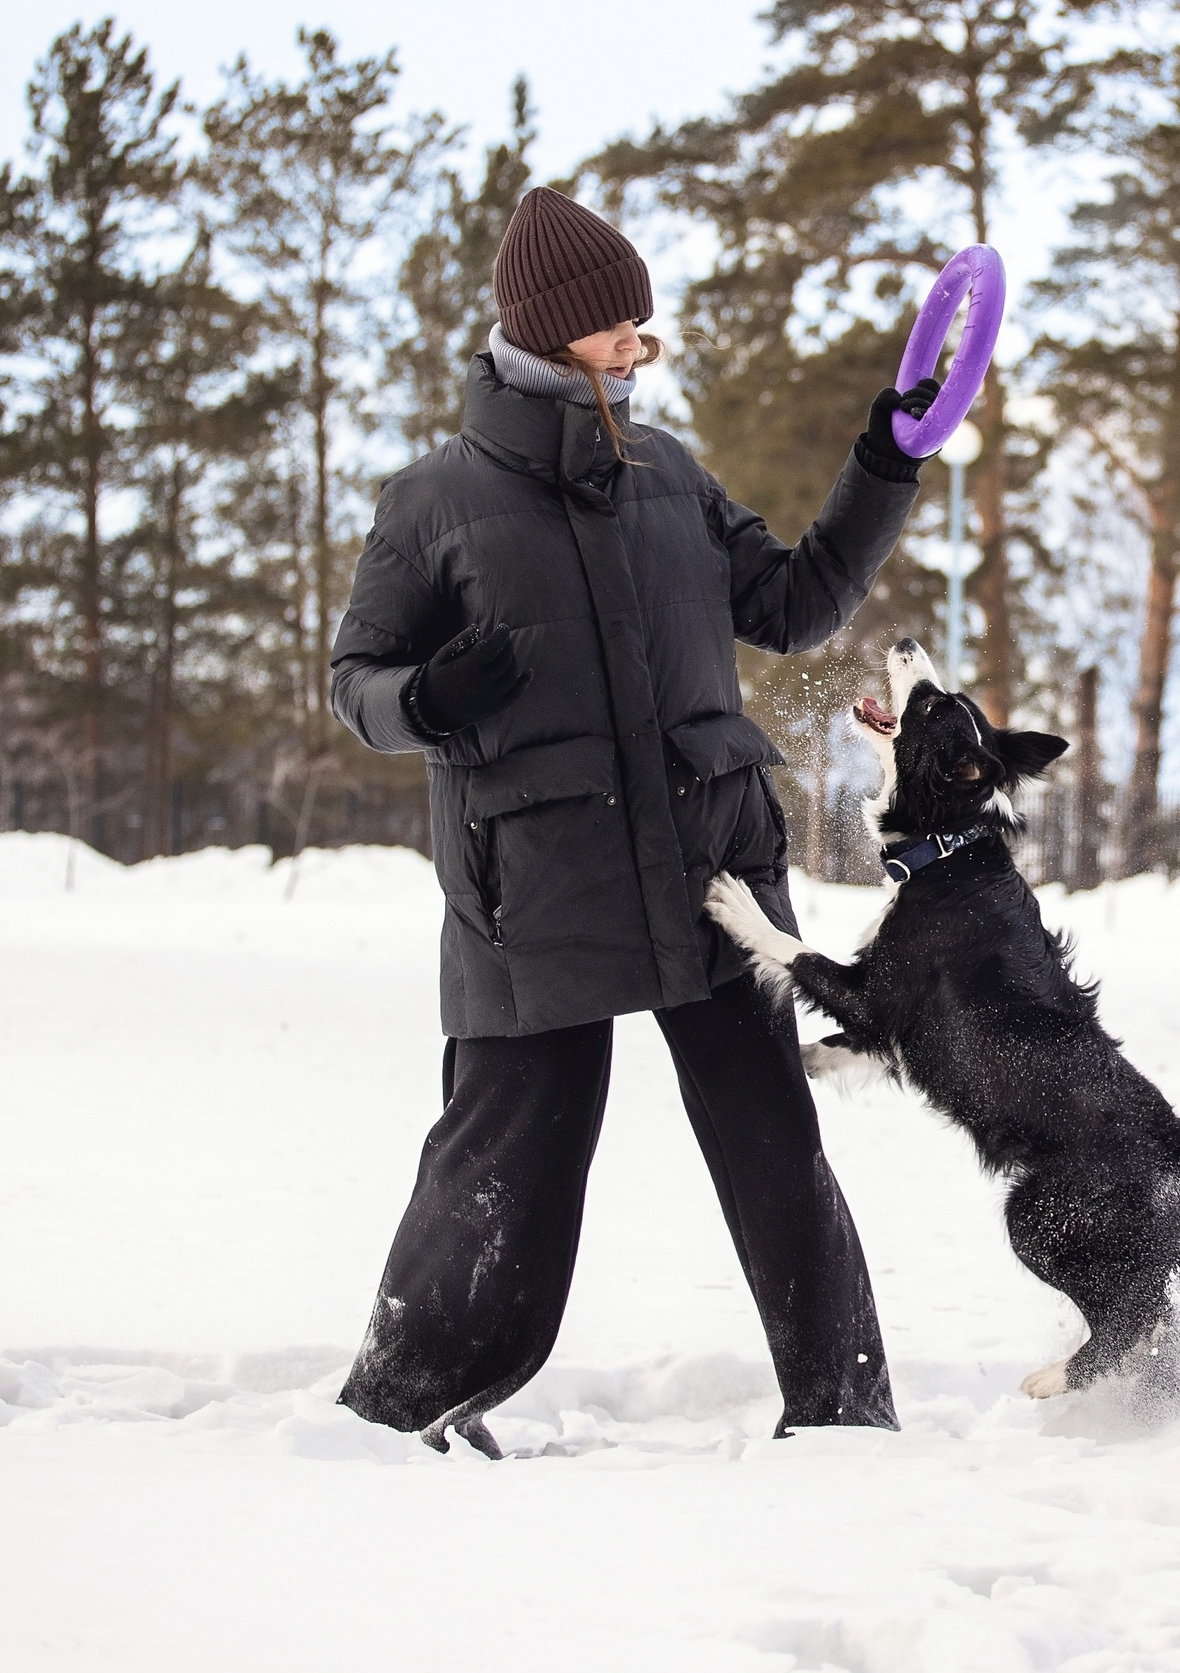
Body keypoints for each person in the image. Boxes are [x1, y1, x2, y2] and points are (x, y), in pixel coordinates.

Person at [327, 186, 940, 1456]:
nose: (637, 345)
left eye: (641, 326)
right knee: (506, 1155)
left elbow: (797, 605)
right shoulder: (433, 501)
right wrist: (425, 698)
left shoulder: (668, 475)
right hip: (537, 883)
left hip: (713, 861)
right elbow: (356, 683)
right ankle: (398, 1408)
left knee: (774, 1142)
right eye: (618, 326)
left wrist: (885, 462)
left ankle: (843, 1415)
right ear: (547, 329)